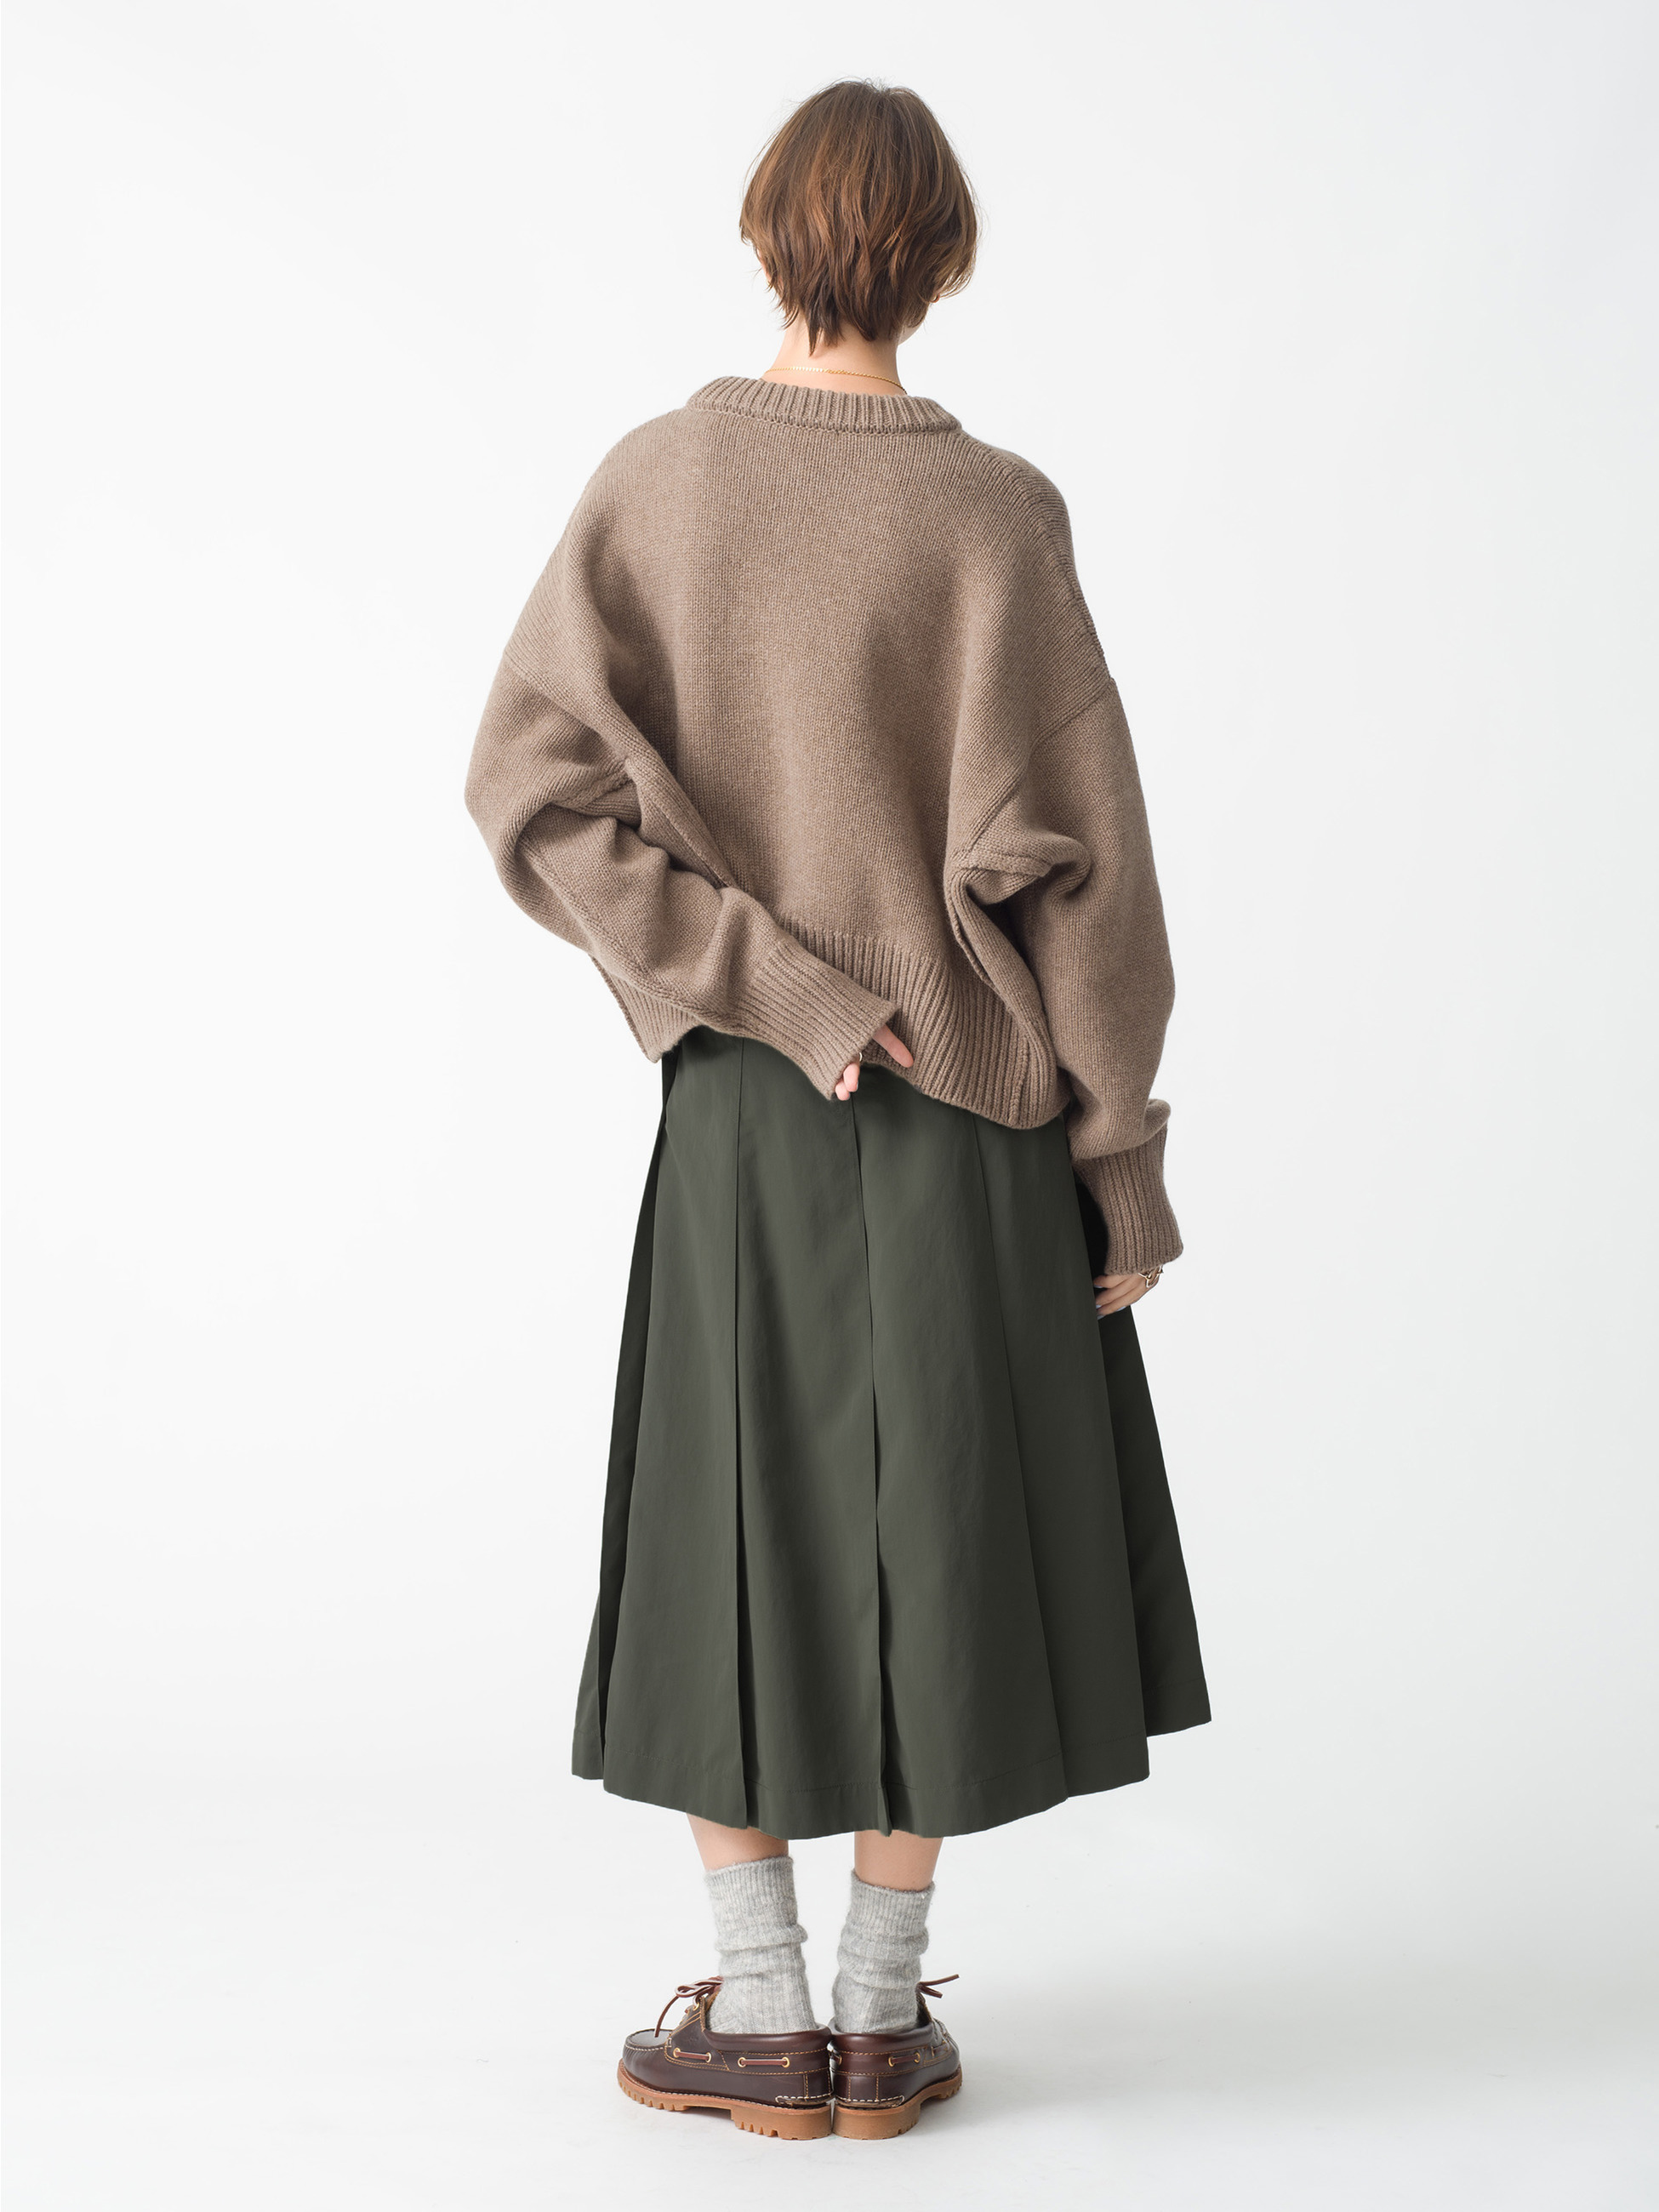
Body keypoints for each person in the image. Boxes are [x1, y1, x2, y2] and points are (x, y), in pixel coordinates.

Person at [465, 78, 1209, 2144]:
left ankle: (766, 2010)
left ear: (762, 234)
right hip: (978, 1127)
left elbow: (528, 790)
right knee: (944, 1538)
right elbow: (1093, 883)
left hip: (747, 1113)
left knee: (729, 1531)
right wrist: (1122, 1169)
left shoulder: (657, 484)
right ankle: (879, 2021)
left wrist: (767, 988)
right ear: (944, 258)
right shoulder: (999, 517)